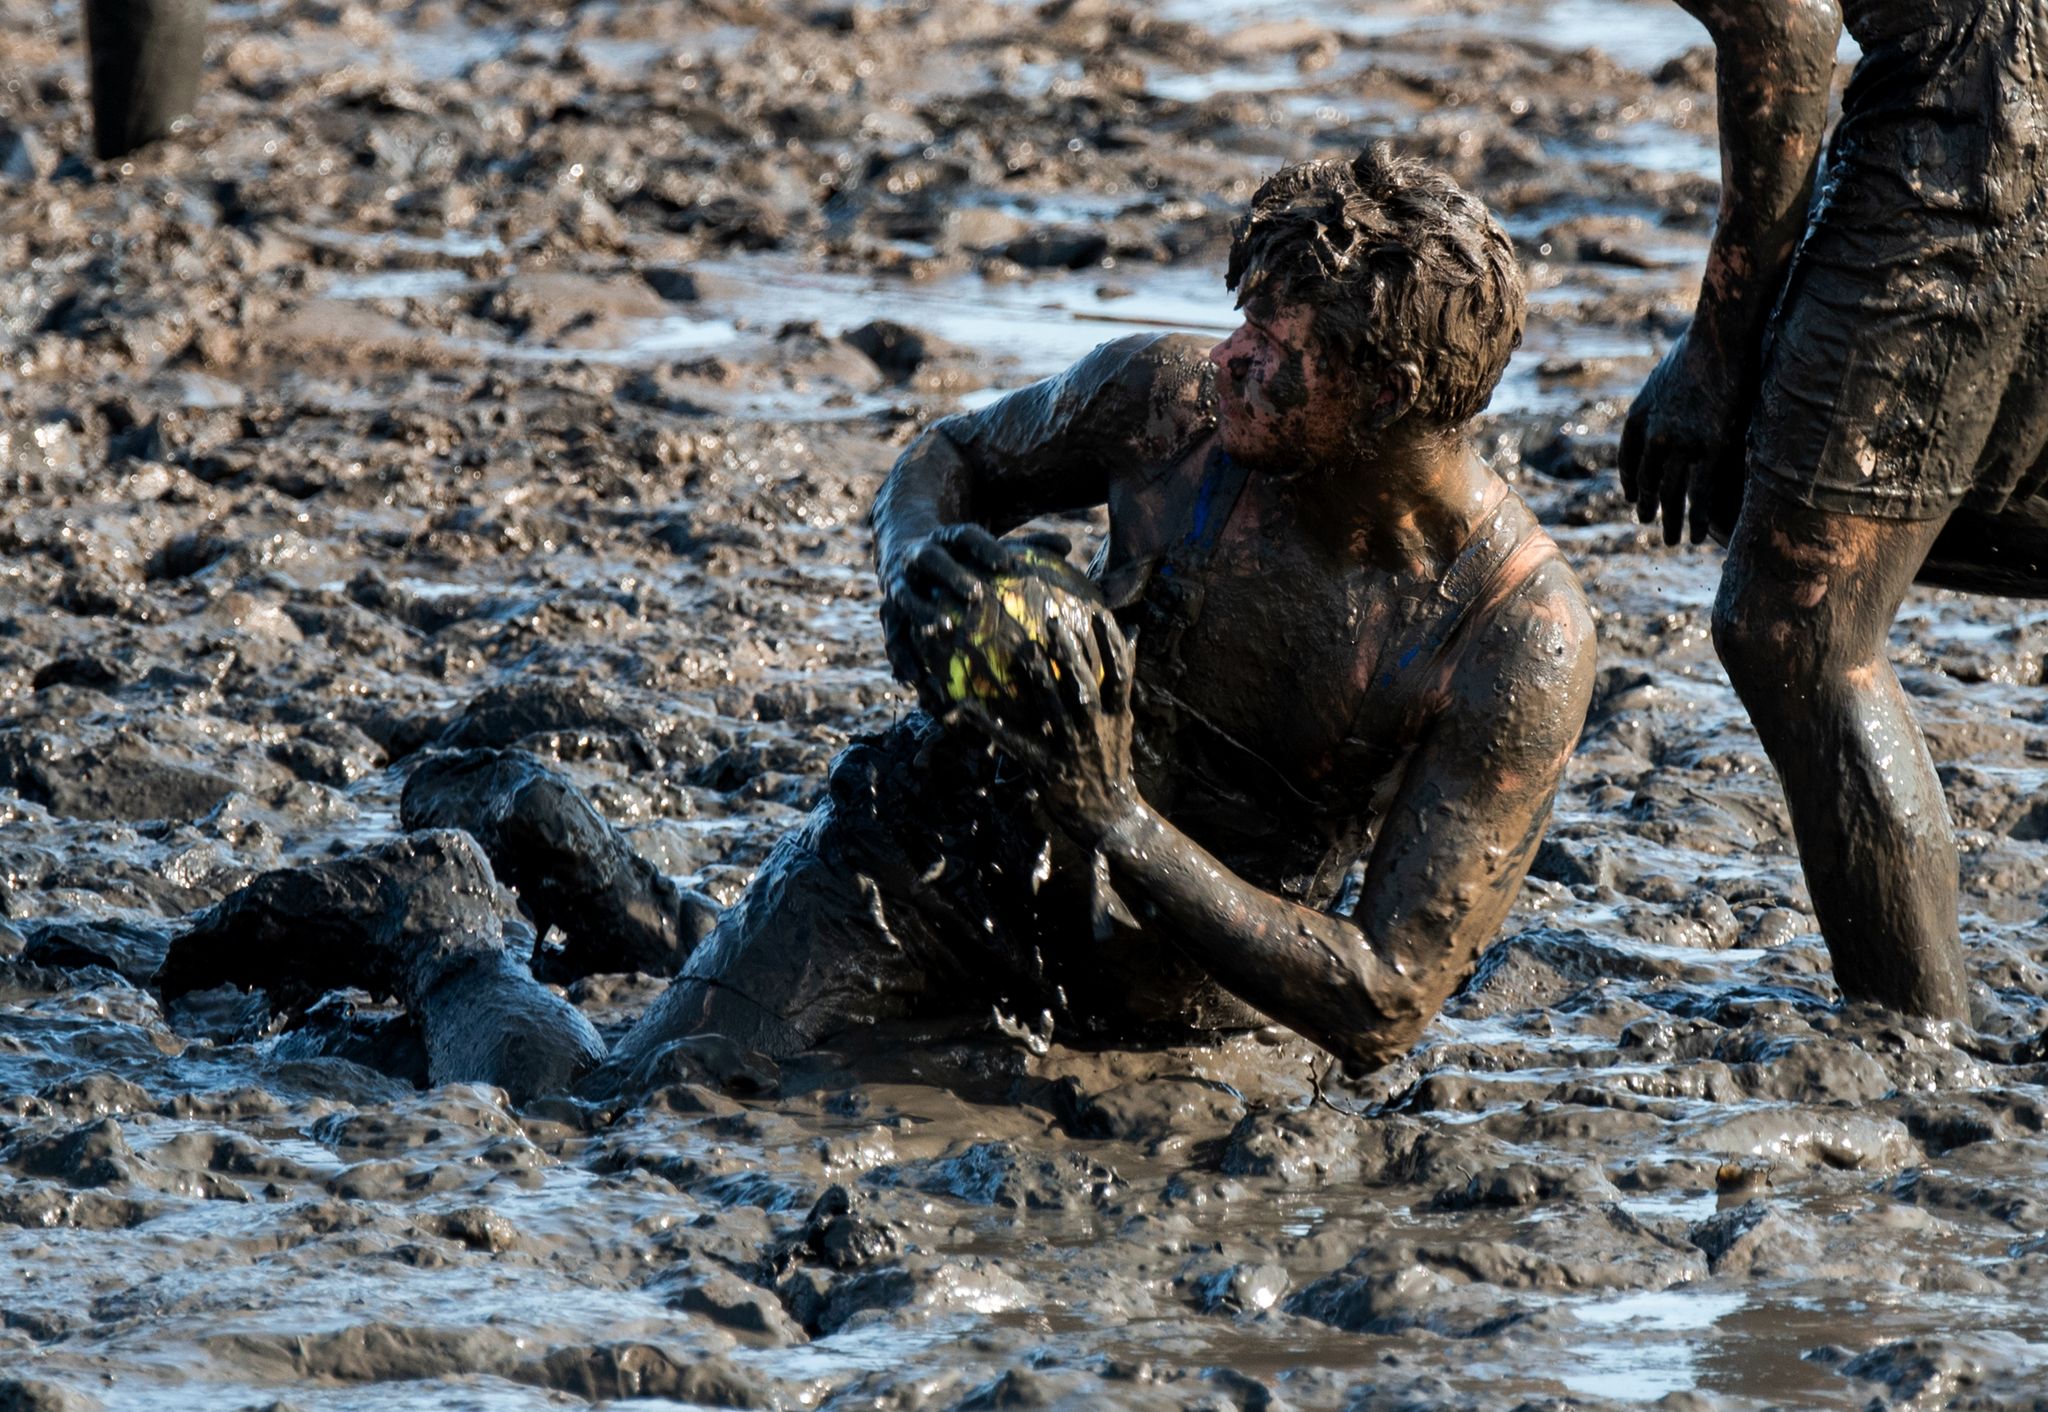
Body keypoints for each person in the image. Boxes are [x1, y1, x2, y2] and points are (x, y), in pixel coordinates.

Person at [161, 146, 1596, 1089]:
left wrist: (1118, 822)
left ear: (1392, 403)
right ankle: (446, 924)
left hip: (1170, 988)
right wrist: (922, 562)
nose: (1229, 363)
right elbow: (948, 454)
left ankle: (596, 876)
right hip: (939, 841)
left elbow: (1384, 1000)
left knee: (775, 1053)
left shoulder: (1512, 640)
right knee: (638, 1106)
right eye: (1241, 319)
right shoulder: (1162, 407)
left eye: (1277, 357)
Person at [1617, 0, 2048, 1022]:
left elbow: (1784, 25)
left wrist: (1718, 350)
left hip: (1972, 114)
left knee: (1793, 618)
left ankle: (1916, 1034)